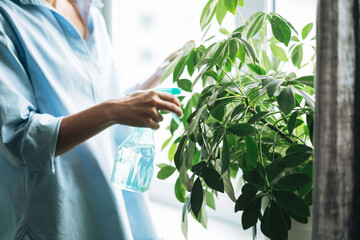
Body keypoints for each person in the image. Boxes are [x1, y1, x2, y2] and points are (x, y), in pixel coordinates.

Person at [0, 0, 183, 239]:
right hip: (56, 217)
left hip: (106, 202)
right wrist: (116, 110)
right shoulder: (7, 16)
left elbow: (96, 101)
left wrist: (156, 77)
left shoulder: (91, 13)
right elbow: (21, 139)